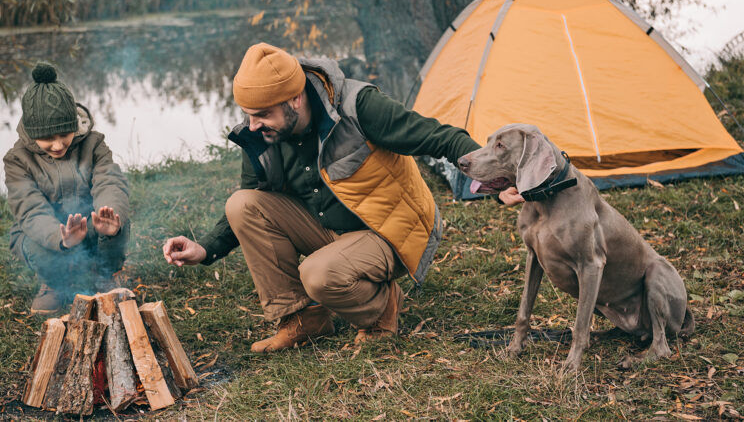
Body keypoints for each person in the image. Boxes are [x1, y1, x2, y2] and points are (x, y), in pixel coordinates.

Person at [163, 43, 522, 352]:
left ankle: (383, 309)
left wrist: (496, 180)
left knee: (317, 274)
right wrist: (206, 248)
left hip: (387, 231)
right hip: (327, 231)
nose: (253, 124)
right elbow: (255, 198)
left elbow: (438, 137)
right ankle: (303, 319)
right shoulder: (261, 134)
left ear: (294, 98)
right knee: (242, 204)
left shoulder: (358, 105)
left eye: (262, 114)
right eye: (248, 115)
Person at [4, 62, 130, 315]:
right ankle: (53, 284)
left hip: (87, 224)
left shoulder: (94, 144)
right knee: (38, 242)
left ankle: (104, 275)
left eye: (64, 134)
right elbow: (29, 209)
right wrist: (59, 237)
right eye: (48, 138)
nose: (58, 144)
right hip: (49, 232)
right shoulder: (16, 159)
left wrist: (110, 214)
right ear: (32, 132)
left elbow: (109, 180)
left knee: (115, 223)